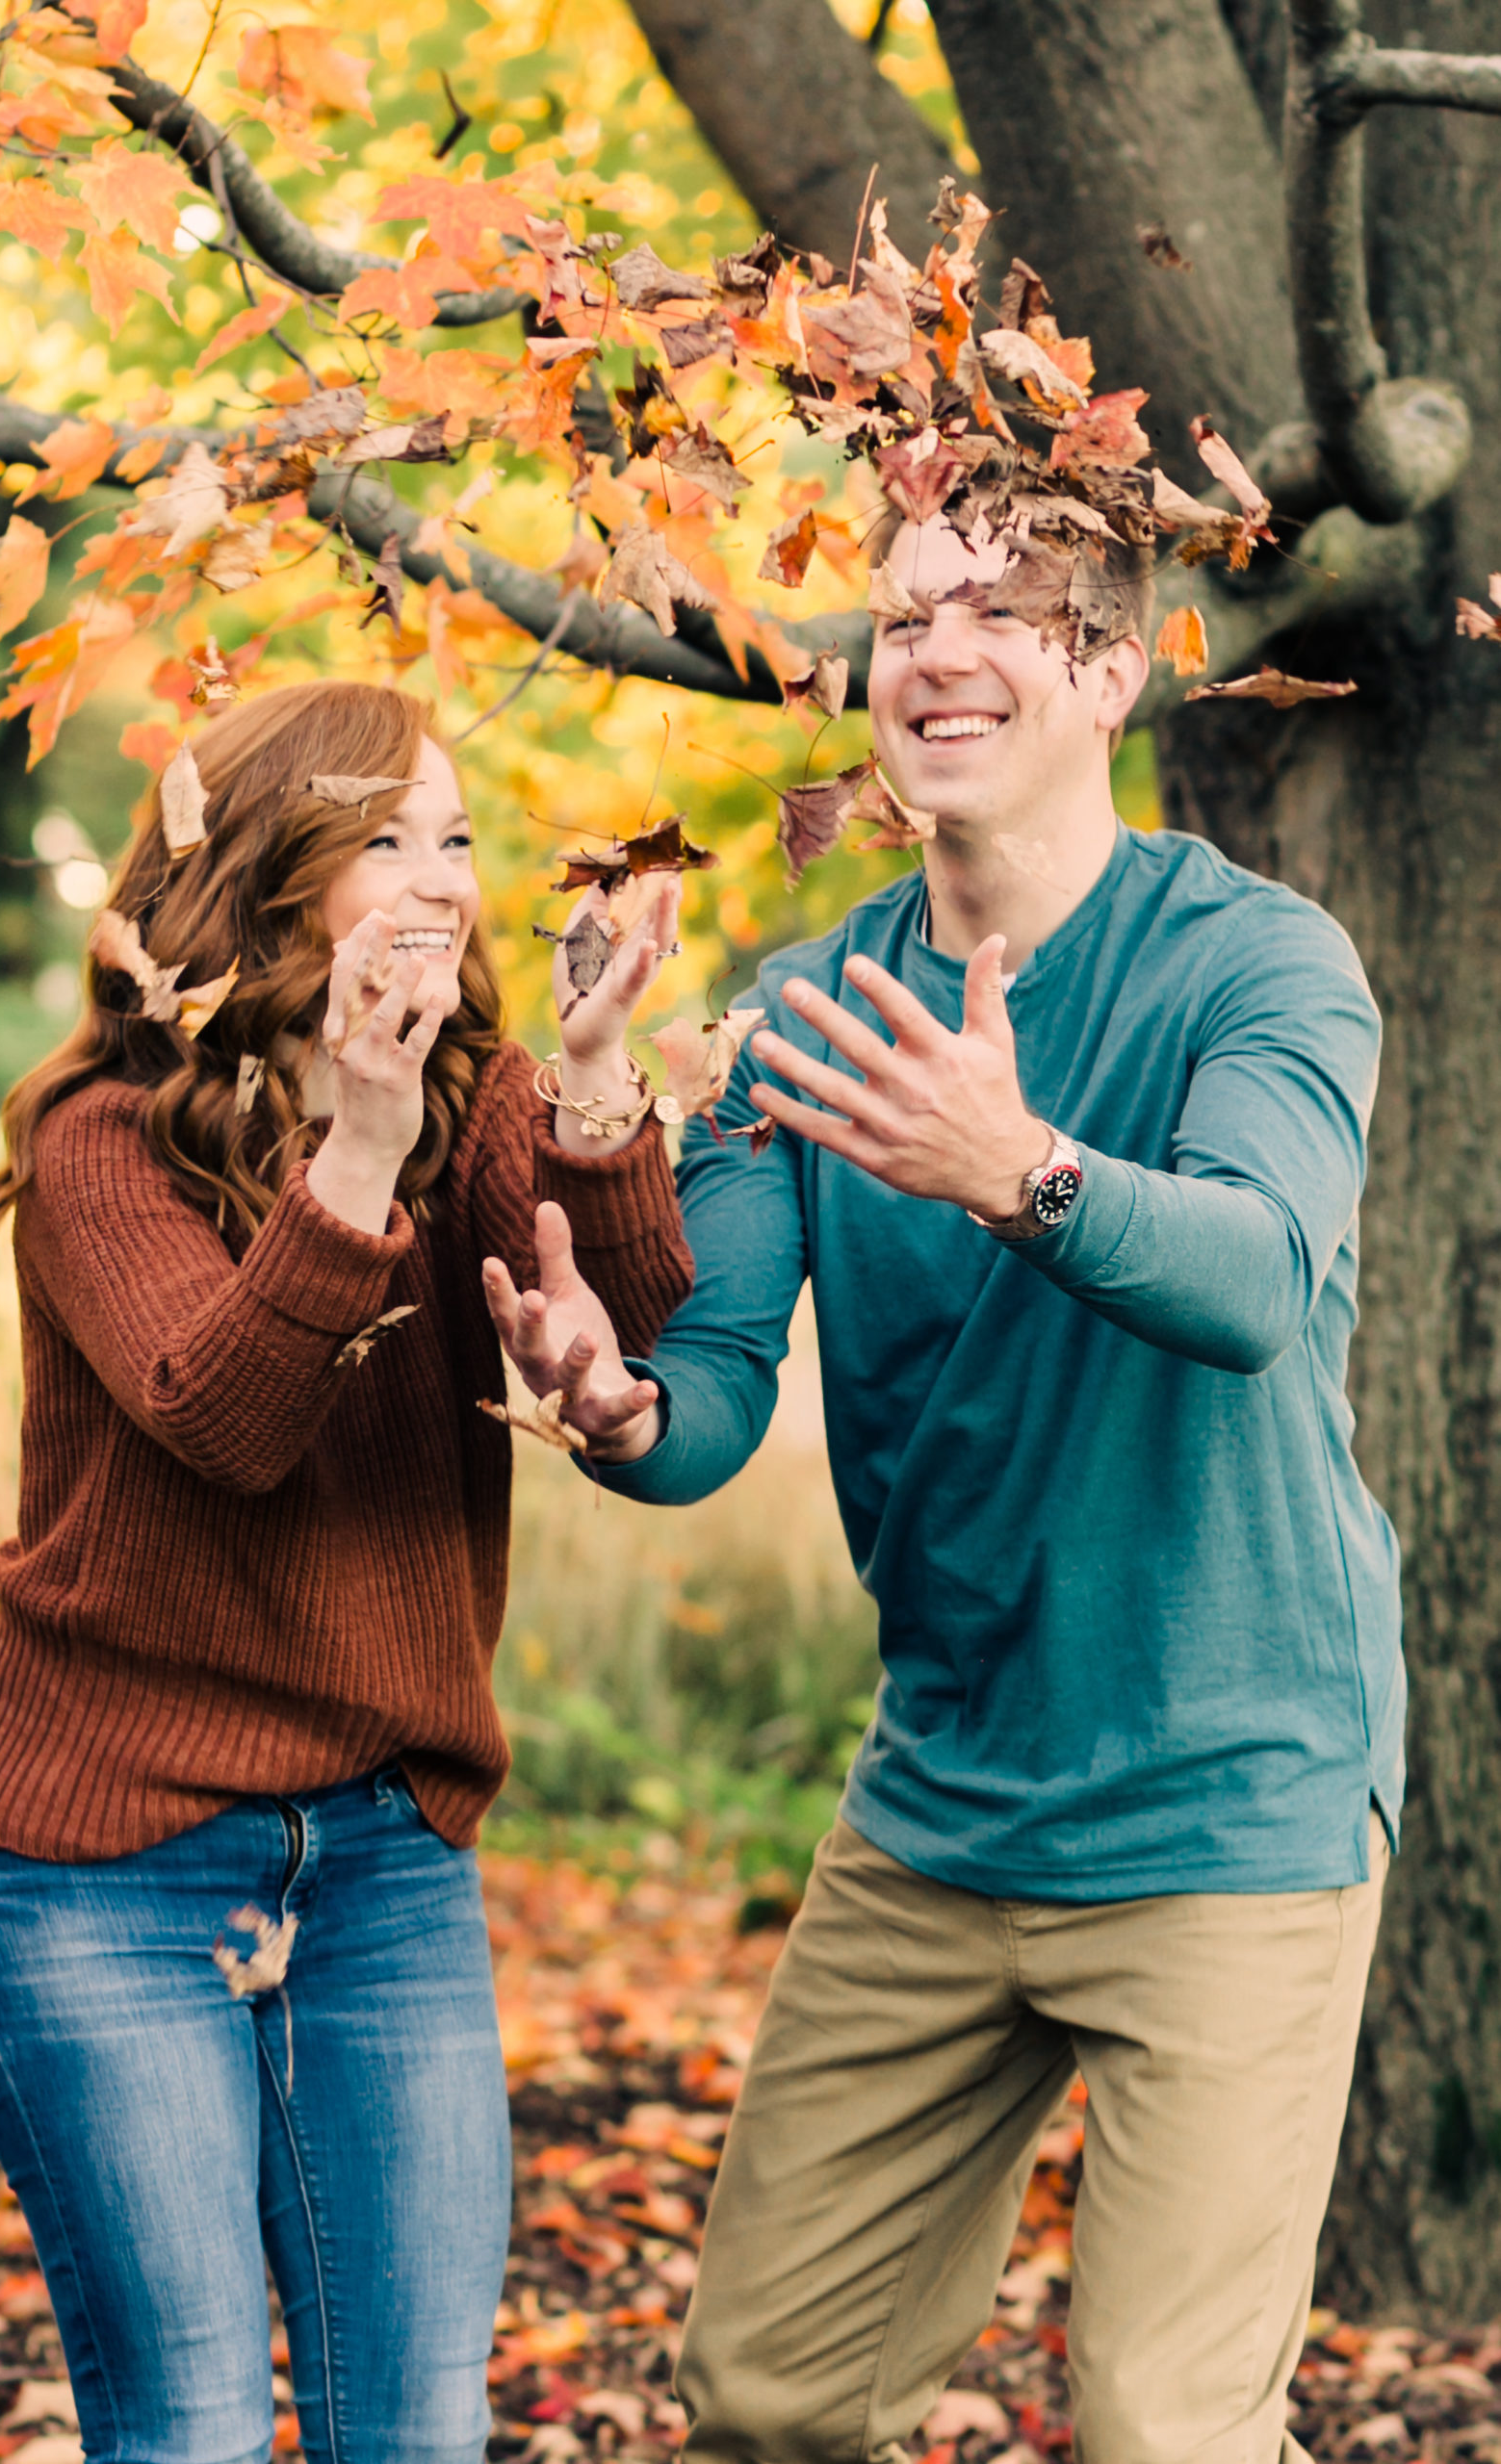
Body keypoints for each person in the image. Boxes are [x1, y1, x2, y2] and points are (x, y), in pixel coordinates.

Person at [482, 509, 1405, 2464]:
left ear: (1105, 670)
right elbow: (714, 1389)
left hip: (1224, 1791)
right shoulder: (788, 1020)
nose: (936, 648)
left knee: (1166, 2426)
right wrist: (612, 1402)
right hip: (944, 1798)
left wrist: (1020, 1169)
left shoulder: (1257, 964)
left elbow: (1250, 1277)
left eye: (1001, 611)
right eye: (902, 615)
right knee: (765, 2392)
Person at [0, 680, 690, 2464]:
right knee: (188, 2425)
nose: (443, 880)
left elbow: (645, 1321)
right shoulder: (101, 1145)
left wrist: (589, 1078)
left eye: (459, 840)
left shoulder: (481, 1098)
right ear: (275, 878)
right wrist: (355, 1149)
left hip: (378, 1862)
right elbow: (227, 1421)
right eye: (388, 841)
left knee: (411, 2430)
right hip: (101, 1866)